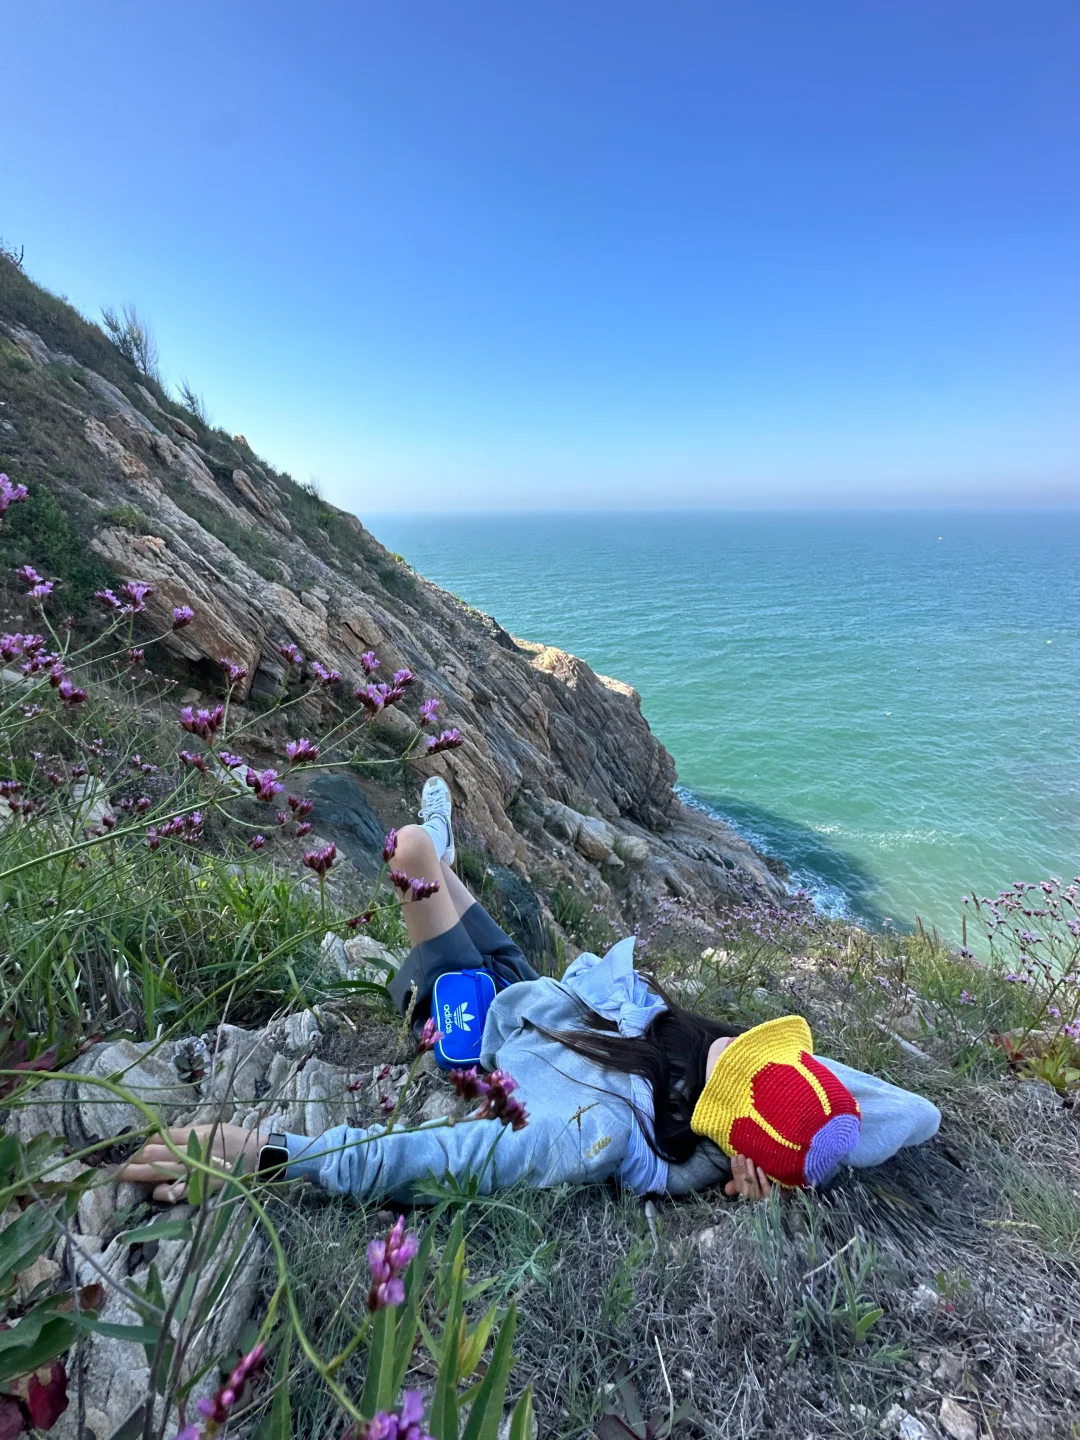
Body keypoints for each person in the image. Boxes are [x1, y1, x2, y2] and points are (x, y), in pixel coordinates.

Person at [121, 779, 941, 1206]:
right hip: (534, 988)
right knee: (425, 860)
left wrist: (272, 1157)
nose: (726, 1042)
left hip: (472, 1025)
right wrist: (810, 1152)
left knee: (405, 850)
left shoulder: (598, 1135)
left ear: (719, 1139)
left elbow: (440, 1158)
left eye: (733, 1063)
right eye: (749, 1048)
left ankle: (432, 856)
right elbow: (909, 1111)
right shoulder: (720, 1060)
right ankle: (439, 859)